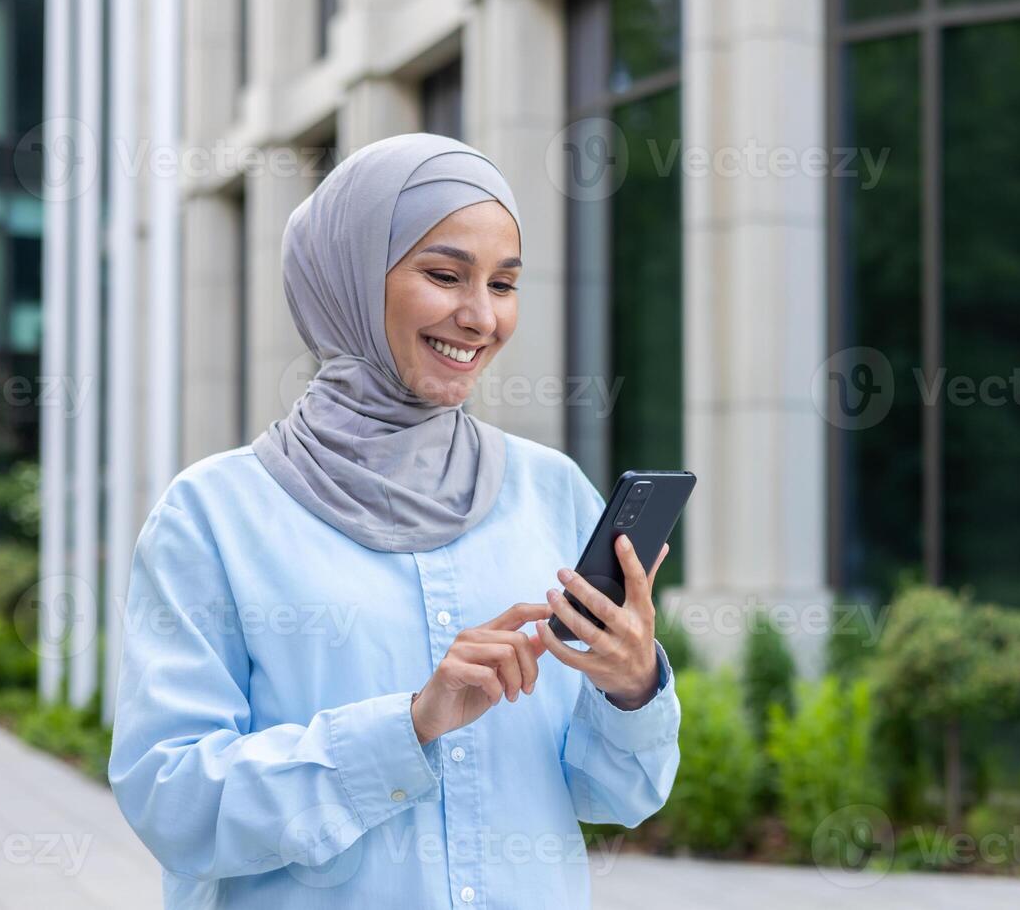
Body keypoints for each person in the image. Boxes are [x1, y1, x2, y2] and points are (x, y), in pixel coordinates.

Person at [108, 134, 681, 909]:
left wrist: (631, 687)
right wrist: (408, 727)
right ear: (347, 278)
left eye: (504, 284)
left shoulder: (553, 493)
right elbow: (171, 800)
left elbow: (615, 796)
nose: (480, 317)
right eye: (445, 275)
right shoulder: (214, 517)